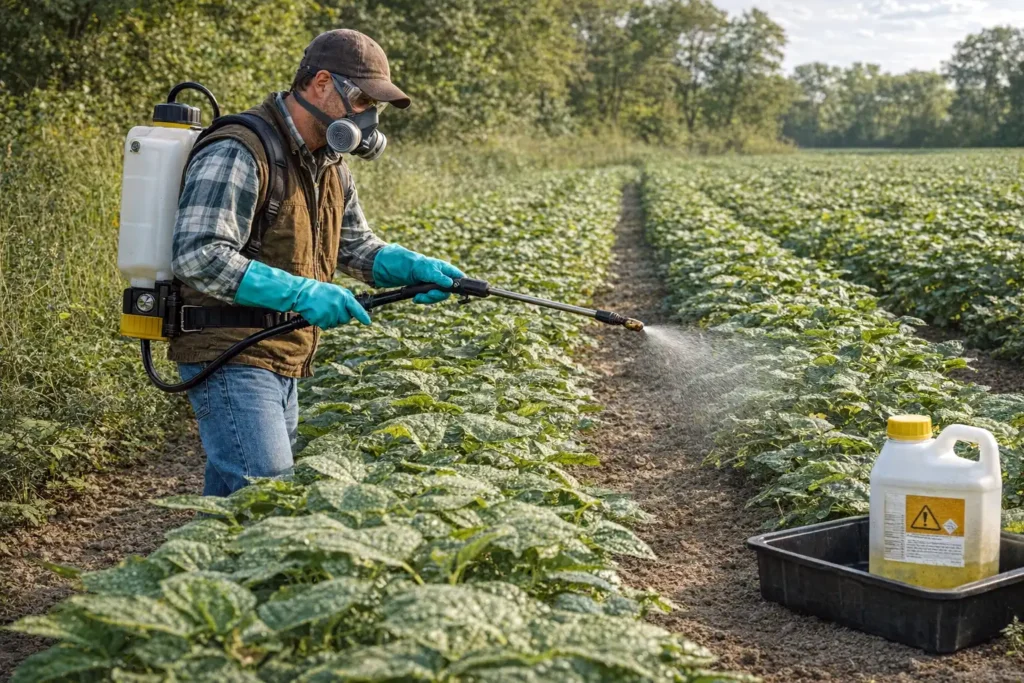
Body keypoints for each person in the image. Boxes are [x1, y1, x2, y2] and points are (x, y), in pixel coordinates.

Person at [167, 29, 463, 496]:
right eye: (364, 100)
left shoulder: (331, 165)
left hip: (283, 351)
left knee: (230, 510)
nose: (370, 119)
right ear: (322, 84)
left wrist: (409, 266)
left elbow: (353, 246)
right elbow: (199, 254)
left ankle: (190, 569)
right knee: (264, 499)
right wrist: (302, 293)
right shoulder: (242, 149)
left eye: (376, 108)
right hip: (231, 351)